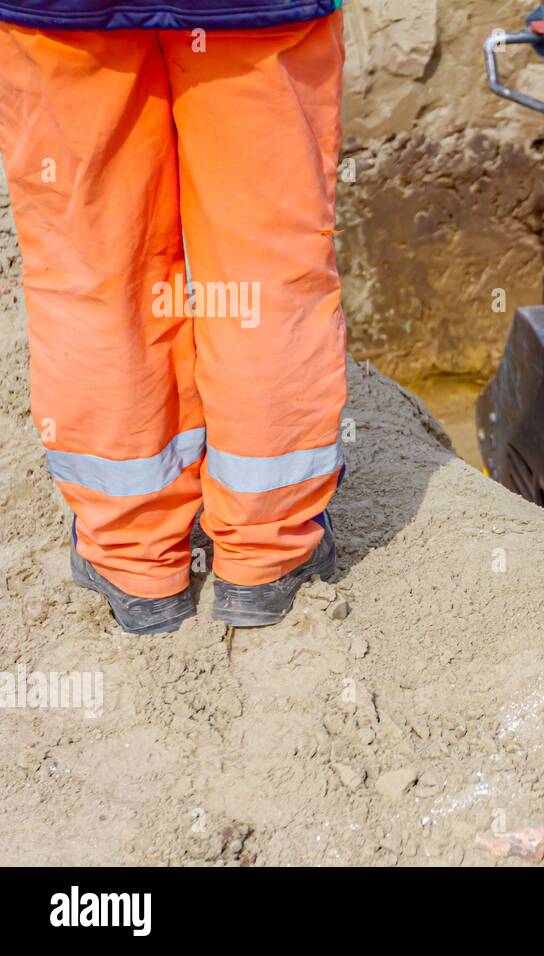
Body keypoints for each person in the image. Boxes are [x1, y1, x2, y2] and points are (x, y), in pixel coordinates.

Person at [0, 1, 348, 633]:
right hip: (252, 12)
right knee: (265, 272)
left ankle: (136, 562)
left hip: (63, 16)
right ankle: (264, 553)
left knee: (92, 270)